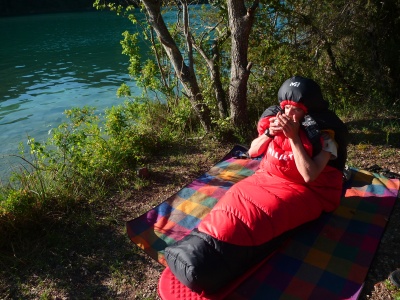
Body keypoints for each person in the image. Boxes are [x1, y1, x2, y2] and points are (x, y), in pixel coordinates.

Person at [164, 76, 349, 294]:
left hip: (305, 190)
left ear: (307, 112)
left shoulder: (325, 136)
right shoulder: (275, 123)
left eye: (296, 110)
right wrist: (270, 133)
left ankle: (209, 264)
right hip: (266, 178)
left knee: (259, 216)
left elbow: (310, 175)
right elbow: (253, 152)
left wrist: (294, 139)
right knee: (232, 205)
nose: (289, 114)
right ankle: (199, 246)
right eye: (286, 107)